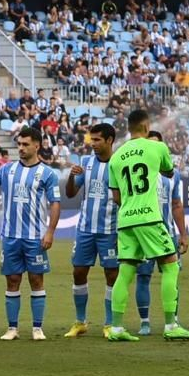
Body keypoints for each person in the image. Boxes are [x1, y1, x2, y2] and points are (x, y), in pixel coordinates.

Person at [104, 111, 189, 342]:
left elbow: (116, 196)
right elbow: (168, 172)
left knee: (125, 272)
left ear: (129, 128)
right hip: (150, 218)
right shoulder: (157, 148)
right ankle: (171, 325)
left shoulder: (116, 157)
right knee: (170, 266)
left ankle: (116, 328)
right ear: (146, 127)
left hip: (125, 220)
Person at [0, 125, 59, 341]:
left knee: (37, 280)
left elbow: (55, 203)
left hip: (35, 237)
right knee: (12, 280)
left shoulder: (47, 173)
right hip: (10, 236)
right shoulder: (7, 169)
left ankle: (37, 328)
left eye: (25, 144)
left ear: (37, 145)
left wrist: (50, 232)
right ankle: (12, 328)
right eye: (19, 144)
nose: (21, 148)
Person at [63, 122, 119, 337]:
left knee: (111, 275)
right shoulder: (85, 163)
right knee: (78, 272)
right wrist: (70, 176)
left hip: (110, 229)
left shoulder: (119, 164)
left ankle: (109, 323)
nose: (92, 144)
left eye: (97, 140)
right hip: (85, 229)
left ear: (109, 140)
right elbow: (70, 193)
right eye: (91, 139)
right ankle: (80, 322)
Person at [133, 129, 188, 335]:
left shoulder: (173, 175)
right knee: (143, 277)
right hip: (144, 232)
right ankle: (144, 321)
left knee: (171, 276)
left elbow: (176, 204)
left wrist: (183, 234)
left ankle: (173, 318)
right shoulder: (138, 172)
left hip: (168, 233)